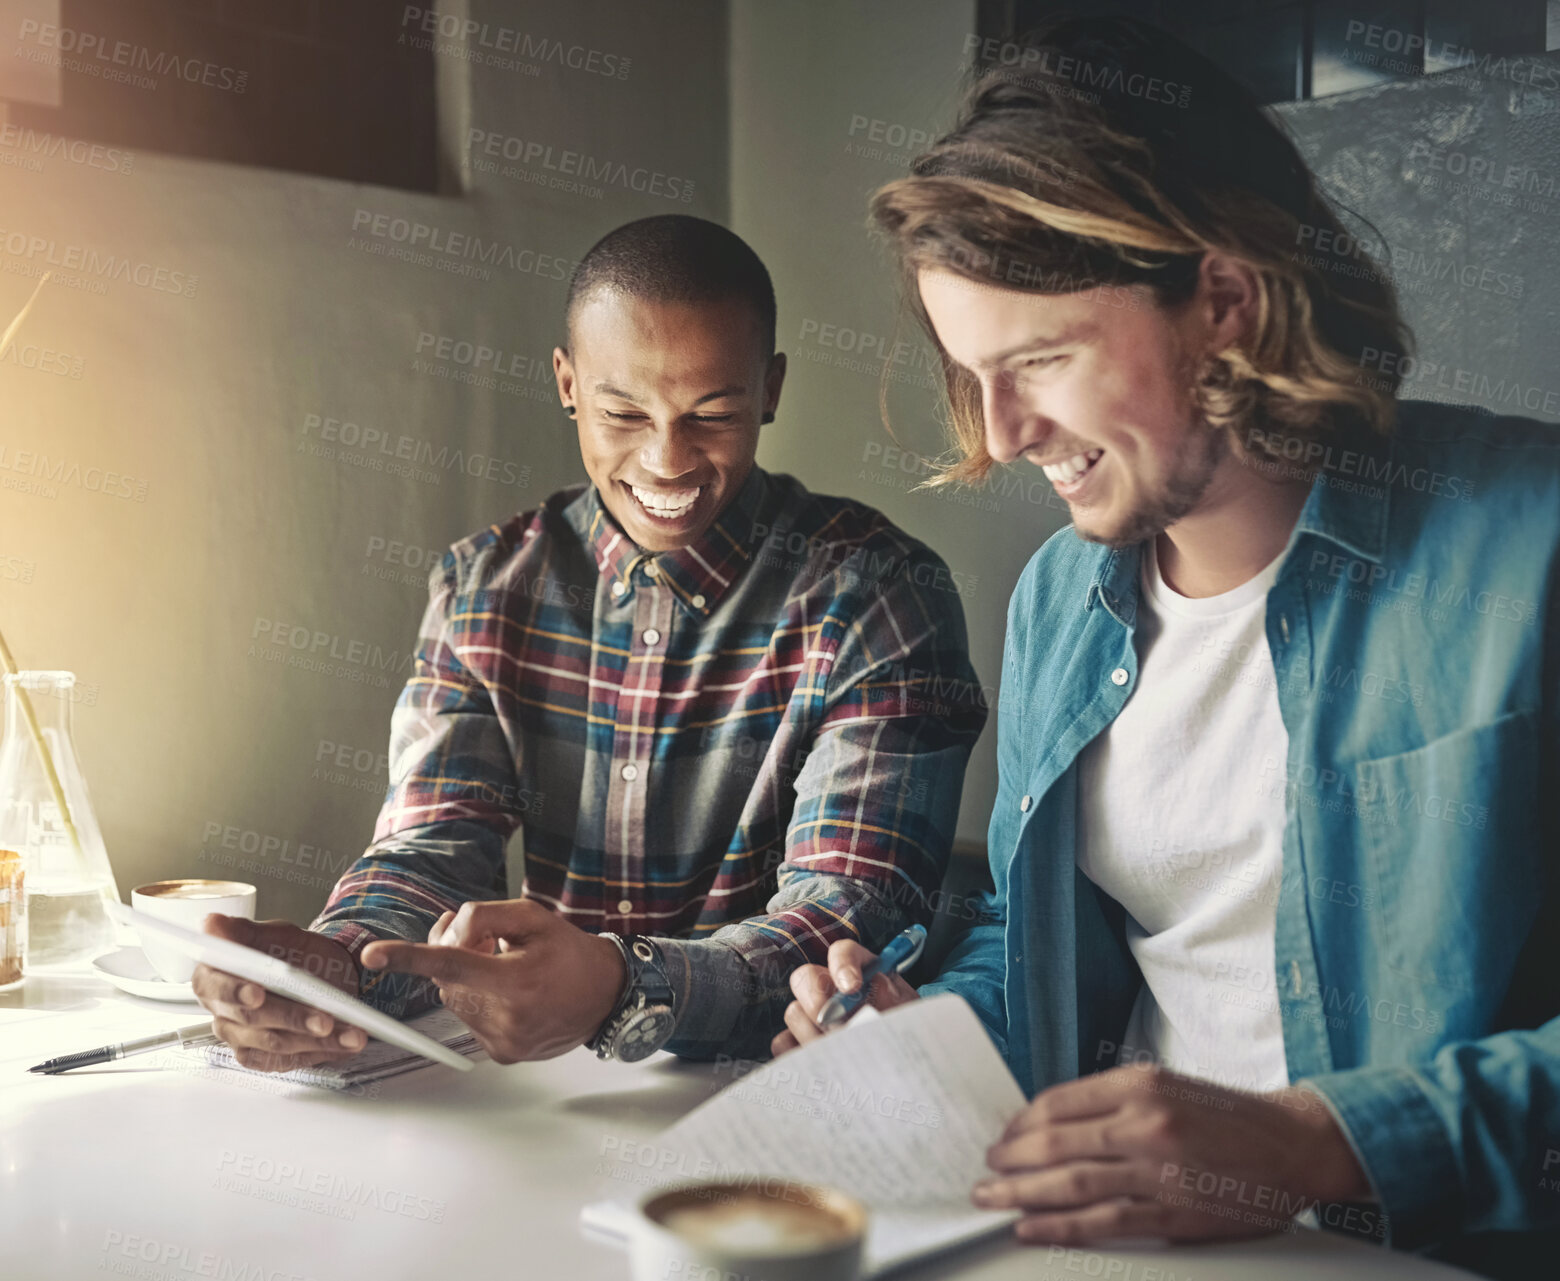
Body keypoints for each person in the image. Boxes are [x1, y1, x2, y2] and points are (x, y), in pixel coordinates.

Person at [777, 16, 1558, 1278]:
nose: (1005, 429)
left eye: (1039, 360)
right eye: (974, 373)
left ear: (1228, 302)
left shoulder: (1533, 547)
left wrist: (1320, 1143)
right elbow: (1075, 952)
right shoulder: (1055, 602)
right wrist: (922, 1036)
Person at [193, 215, 986, 1071]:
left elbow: (846, 918)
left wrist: (622, 986)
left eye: (711, 414)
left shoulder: (880, 595)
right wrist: (339, 967)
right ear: (568, 383)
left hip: (775, 1094)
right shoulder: (487, 587)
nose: (668, 459)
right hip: (546, 1099)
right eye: (623, 412)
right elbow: (434, 846)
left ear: (770, 389)